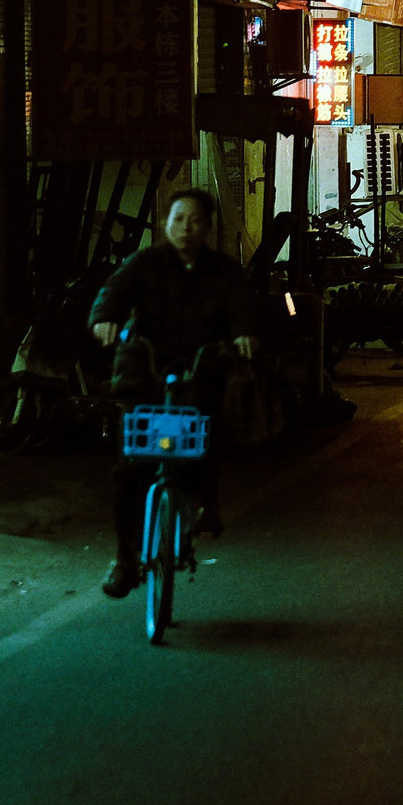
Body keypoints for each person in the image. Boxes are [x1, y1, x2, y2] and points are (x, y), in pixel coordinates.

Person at [90, 187, 259, 598]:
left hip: (200, 370)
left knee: (205, 432)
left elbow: (242, 310)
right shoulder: (144, 264)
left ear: (207, 228)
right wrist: (104, 319)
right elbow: (112, 295)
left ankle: (206, 505)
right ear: (166, 222)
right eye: (179, 218)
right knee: (132, 465)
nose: (186, 228)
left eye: (195, 220)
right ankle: (125, 557)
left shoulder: (224, 271)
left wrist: (244, 335)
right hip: (144, 372)